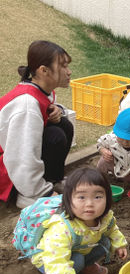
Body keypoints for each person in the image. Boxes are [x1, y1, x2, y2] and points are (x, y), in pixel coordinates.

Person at [30, 167, 128, 274]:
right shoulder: (62, 228)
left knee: (105, 242)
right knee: (77, 259)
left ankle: (86, 268)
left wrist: (119, 244)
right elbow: (56, 259)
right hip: (49, 260)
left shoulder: (104, 218)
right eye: (81, 197)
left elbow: (112, 229)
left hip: (77, 248)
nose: (89, 204)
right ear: (69, 199)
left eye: (98, 197)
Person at [0, 40, 74, 208]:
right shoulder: (27, 105)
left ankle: (52, 181)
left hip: (10, 162)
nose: (69, 72)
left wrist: (57, 110)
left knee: (63, 125)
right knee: (55, 135)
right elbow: (21, 155)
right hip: (6, 172)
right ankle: (30, 195)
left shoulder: (39, 91)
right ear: (43, 70)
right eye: (63, 66)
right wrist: (40, 191)